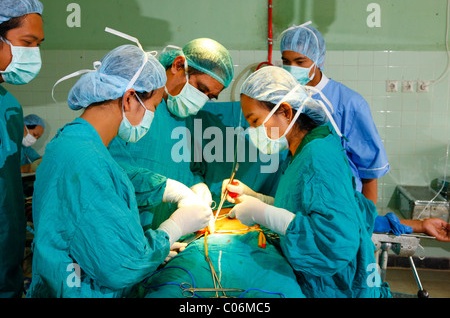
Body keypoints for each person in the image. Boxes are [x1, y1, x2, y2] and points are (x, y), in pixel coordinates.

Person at [27, 43, 212, 298]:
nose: (152, 114)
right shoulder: (85, 158)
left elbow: (107, 192)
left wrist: (166, 190)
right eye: (155, 106)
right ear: (128, 98)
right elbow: (122, 267)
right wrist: (172, 230)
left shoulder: (76, 141)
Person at [223, 65, 391, 298]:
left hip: (337, 287)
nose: (252, 131)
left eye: (255, 121)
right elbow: (308, 206)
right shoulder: (303, 148)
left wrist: (262, 213)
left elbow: (335, 240)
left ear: (285, 111)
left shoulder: (317, 155)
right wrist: (256, 198)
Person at [278, 22, 450, 240]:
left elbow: (369, 171)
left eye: (300, 61)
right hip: (299, 207)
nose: (292, 68)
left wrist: (366, 224)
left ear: (318, 59)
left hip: (340, 208)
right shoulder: (286, 101)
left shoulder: (348, 103)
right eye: (286, 61)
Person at [108, 38, 234, 229]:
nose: (201, 100)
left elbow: (187, 168)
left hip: (165, 236)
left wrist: (197, 185)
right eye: (201, 89)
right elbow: (108, 168)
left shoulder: (188, 119)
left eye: (209, 97)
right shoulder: (135, 104)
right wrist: (164, 188)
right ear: (178, 65)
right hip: (124, 231)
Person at [0, 0, 44, 298]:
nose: (34, 53)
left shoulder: (10, 106)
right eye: (27, 42)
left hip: (7, 260)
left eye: (38, 43)